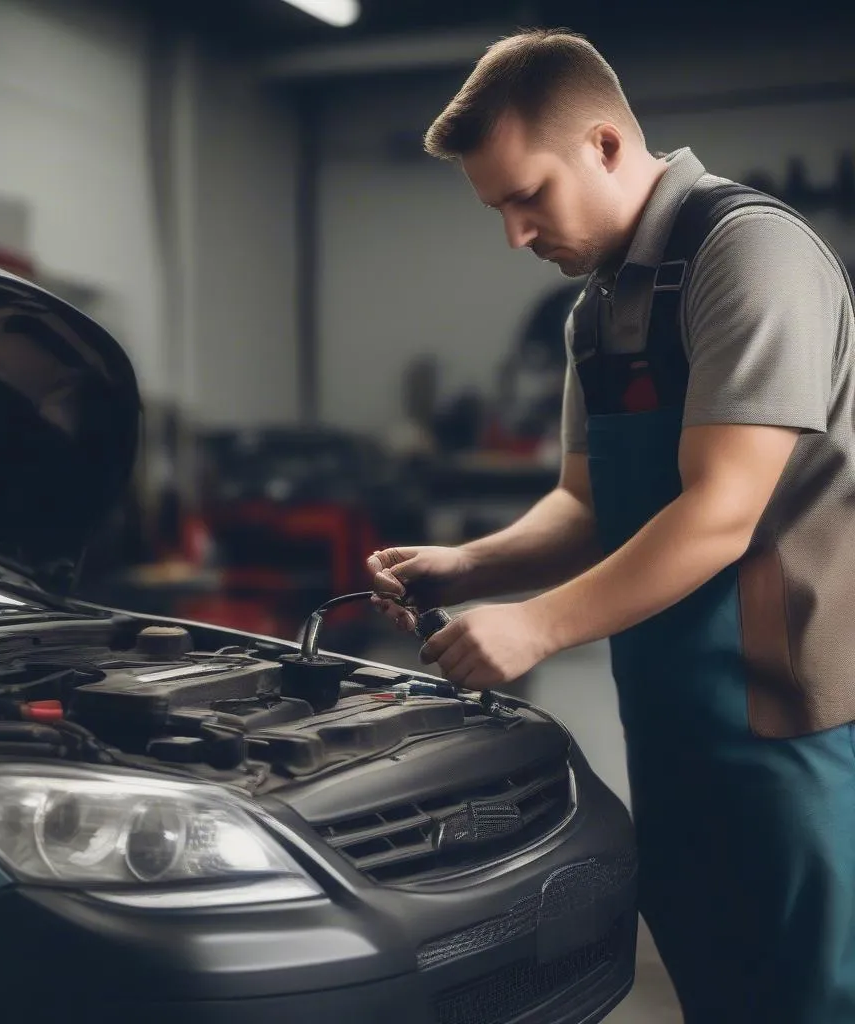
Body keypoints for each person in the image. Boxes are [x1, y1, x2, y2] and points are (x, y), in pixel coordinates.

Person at [367, 28, 855, 1024]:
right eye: (496, 208)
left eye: (526, 196)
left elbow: (722, 511)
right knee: (715, 979)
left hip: (791, 718)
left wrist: (535, 624)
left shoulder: (746, 254)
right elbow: (586, 503)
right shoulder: (595, 309)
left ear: (602, 145)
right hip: (672, 714)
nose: (513, 234)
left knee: (808, 989)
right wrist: (467, 566)